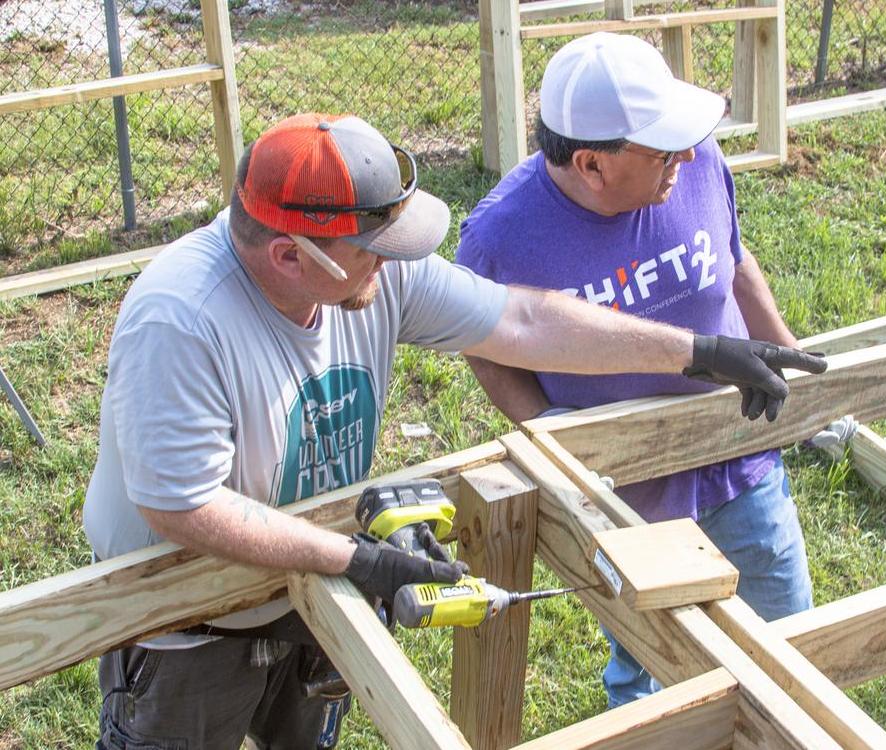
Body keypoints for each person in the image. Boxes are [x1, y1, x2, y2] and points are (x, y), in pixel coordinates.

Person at [82, 111, 825, 748]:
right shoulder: (181, 319)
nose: (395, 266)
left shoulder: (370, 268)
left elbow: (524, 320)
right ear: (287, 255)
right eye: (375, 252)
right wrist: (352, 558)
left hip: (304, 586)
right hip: (190, 622)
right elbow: (181, 505)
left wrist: (699, 352)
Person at [455, 32, 833, 709]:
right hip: (631, 488)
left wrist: (802, 379)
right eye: (662, 149)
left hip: (737, 457)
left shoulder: (699, 162)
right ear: (593, 166)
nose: (686, 156)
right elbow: (482, 345)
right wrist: (548, 427)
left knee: (786, 634)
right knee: (649, 653)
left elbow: (736, 260)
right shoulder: (501, 239)